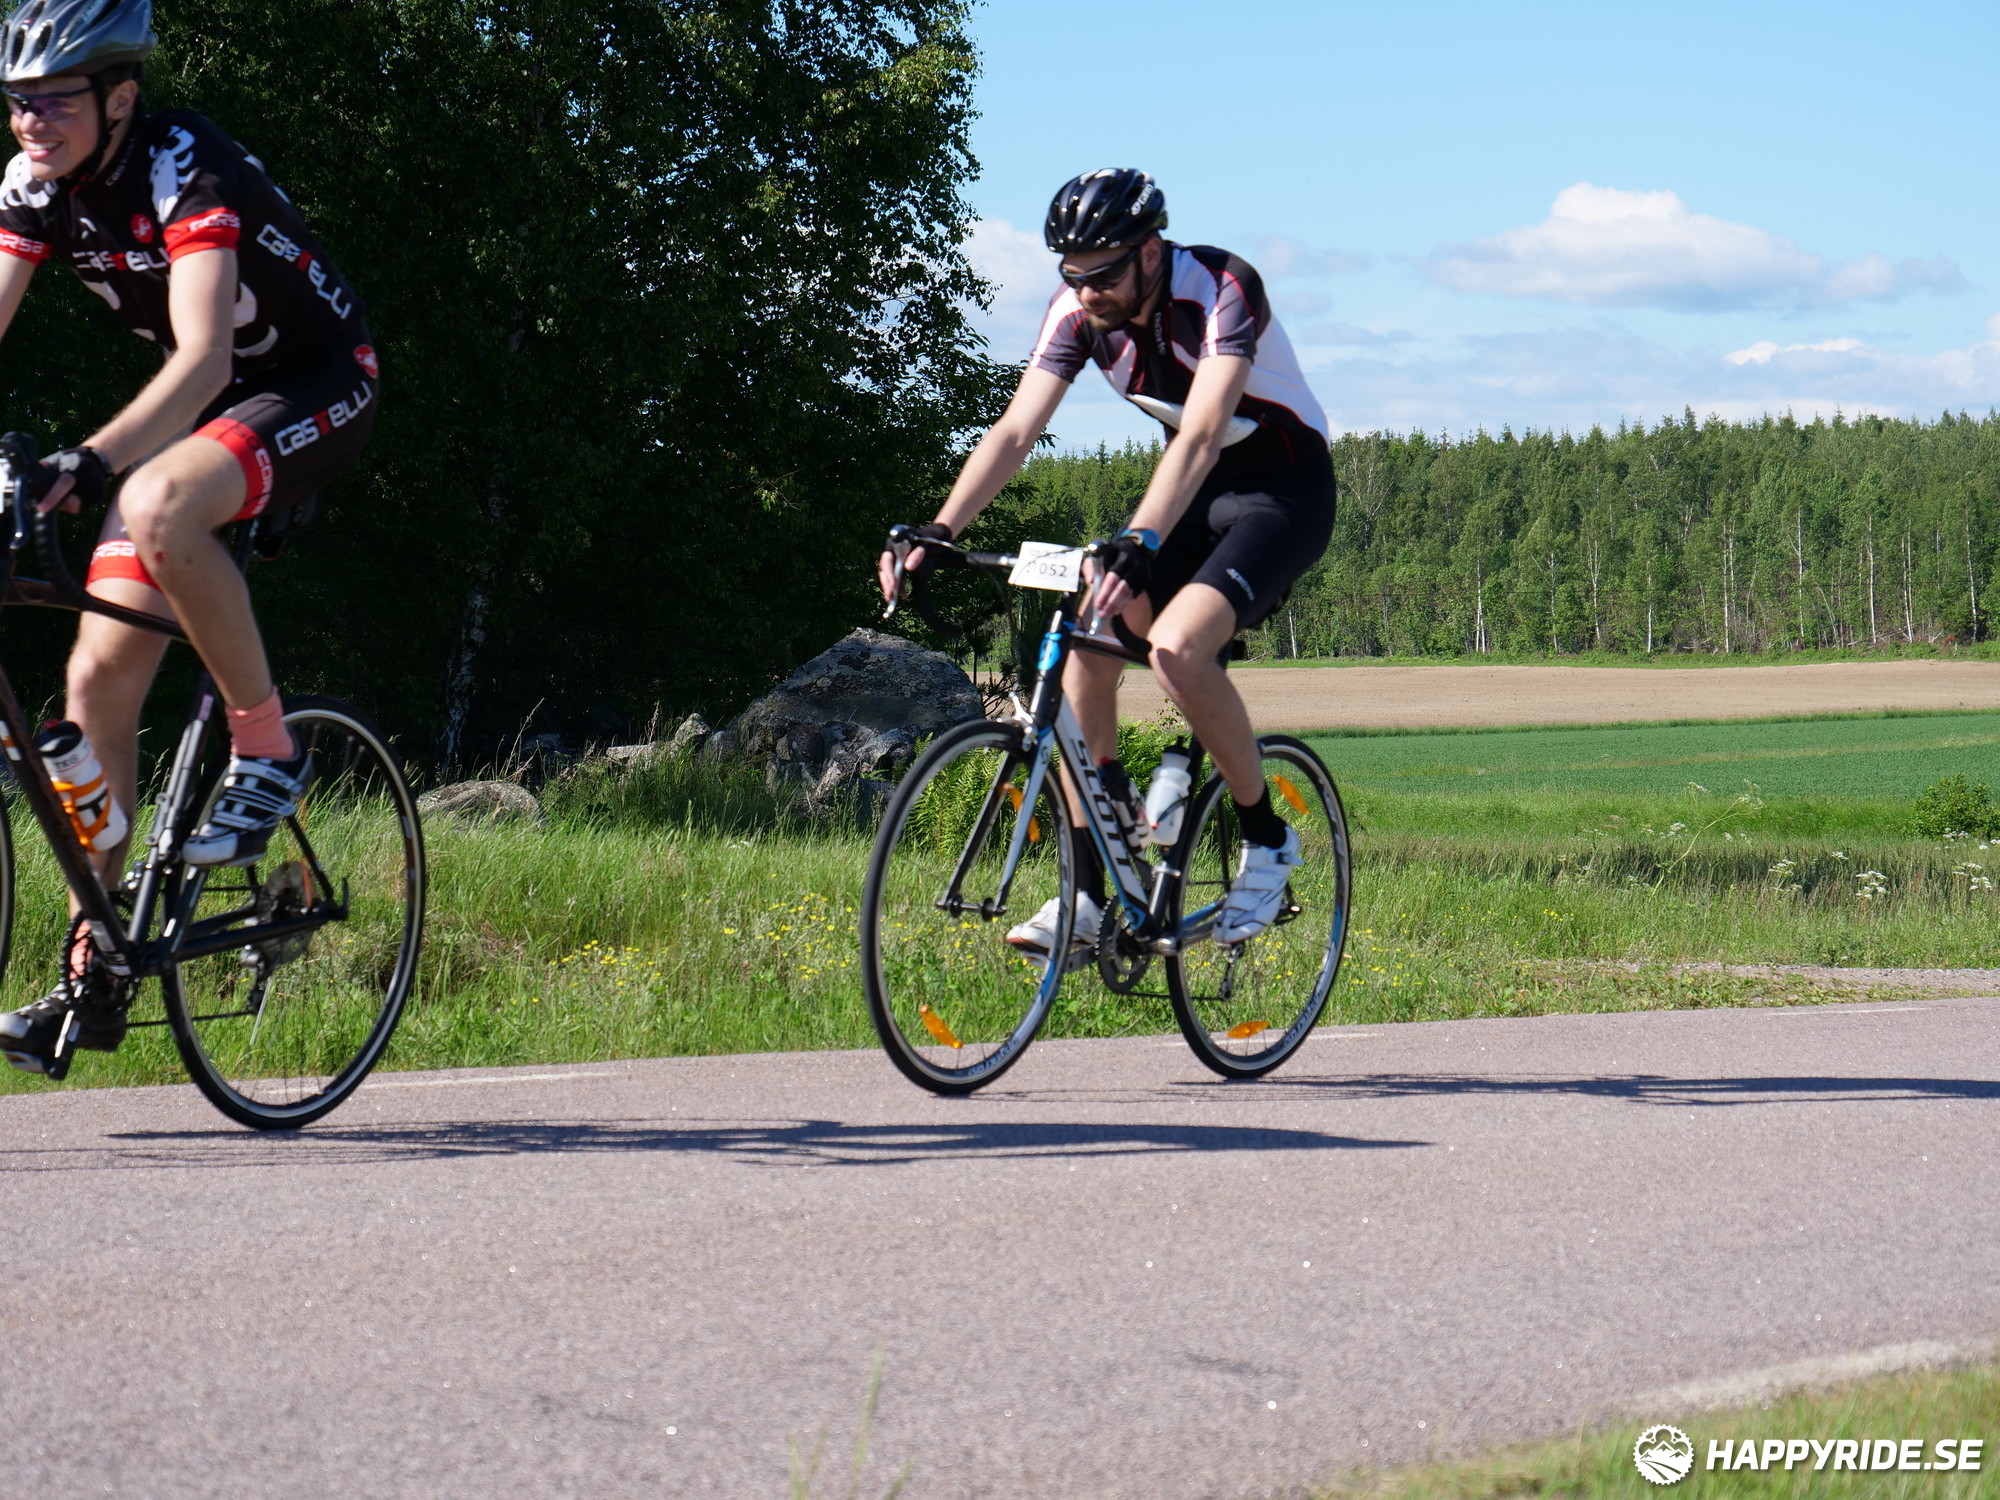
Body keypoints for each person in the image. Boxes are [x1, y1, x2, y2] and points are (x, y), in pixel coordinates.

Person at [0, 0, 379, 1074]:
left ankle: (268, 747)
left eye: (55, 101)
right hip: (204, 417)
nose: (30, 121)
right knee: (94, 684)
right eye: (17, 102)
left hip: (315, 382)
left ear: (120, 98)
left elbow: (207, 356)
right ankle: (97, 965)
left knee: (159, 500)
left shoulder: (182, 163)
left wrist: (86, 462)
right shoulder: (32, 185)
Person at [879, 167, 1336, 961]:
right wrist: (941, 529)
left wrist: (1141, 539)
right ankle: (1093, 887)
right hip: (1190, 493)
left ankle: (1266, 840)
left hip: (1280, 492)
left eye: (1105, 274)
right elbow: (1015, 431)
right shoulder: (1077, 311)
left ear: (1152, 252)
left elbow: (1203, 434)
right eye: (1073, 275)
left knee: (1177, 650)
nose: (1088, 292)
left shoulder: (1222, 286)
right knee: (1084, 638)